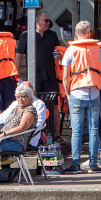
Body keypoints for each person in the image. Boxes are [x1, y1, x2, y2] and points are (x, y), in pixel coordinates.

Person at [62, 20, 101, 173]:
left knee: (76, 131)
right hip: (94, 93)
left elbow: (65, 77)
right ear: (89, 33)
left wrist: (67, 93)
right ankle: (93, 164)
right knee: (93, 129)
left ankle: (76, 164)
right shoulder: (99, 51)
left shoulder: (70, 51)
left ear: (76, 34)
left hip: (76, 93)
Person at [15, 10, 62, 138]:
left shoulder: (52, 35)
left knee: (54, 106)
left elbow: (60, 52)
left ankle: (57, 135)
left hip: (50, 76)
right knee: (33, 105)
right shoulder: (26, 35)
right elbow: (18, 56)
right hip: (33, 77)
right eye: (45, 20)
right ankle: (34, 135)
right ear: (37, 21)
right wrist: (15, 75)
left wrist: (60, 55)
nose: (48, 23)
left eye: (49, 21)